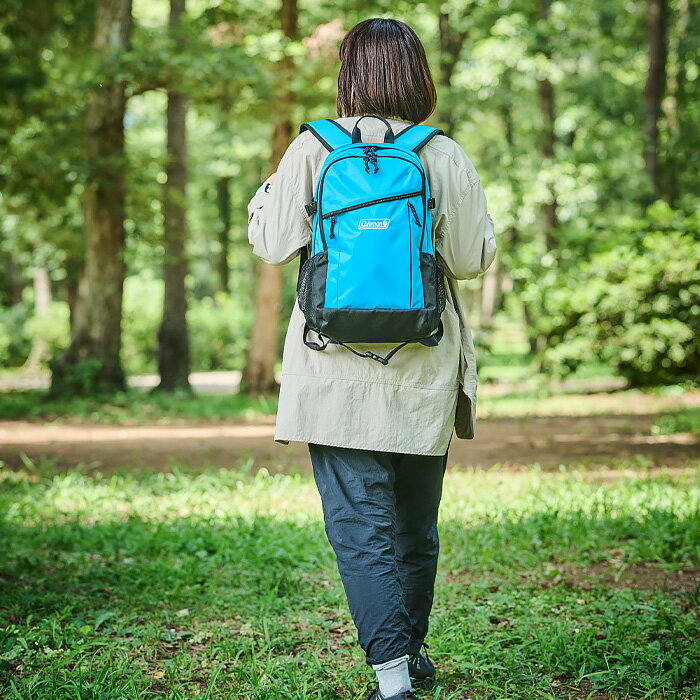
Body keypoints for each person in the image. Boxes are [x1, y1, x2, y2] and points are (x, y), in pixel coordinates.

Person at [247, 17, 496, 700]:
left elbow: (271, 245)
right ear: (419, 75)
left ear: (348, 75)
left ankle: (392, 681)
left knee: (361, 528)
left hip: (331, 369)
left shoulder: (313, 148)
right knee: (415, 526)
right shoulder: (440, 153)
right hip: (422, 366)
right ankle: (410, 656)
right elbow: (473, 259)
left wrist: (262, 199)